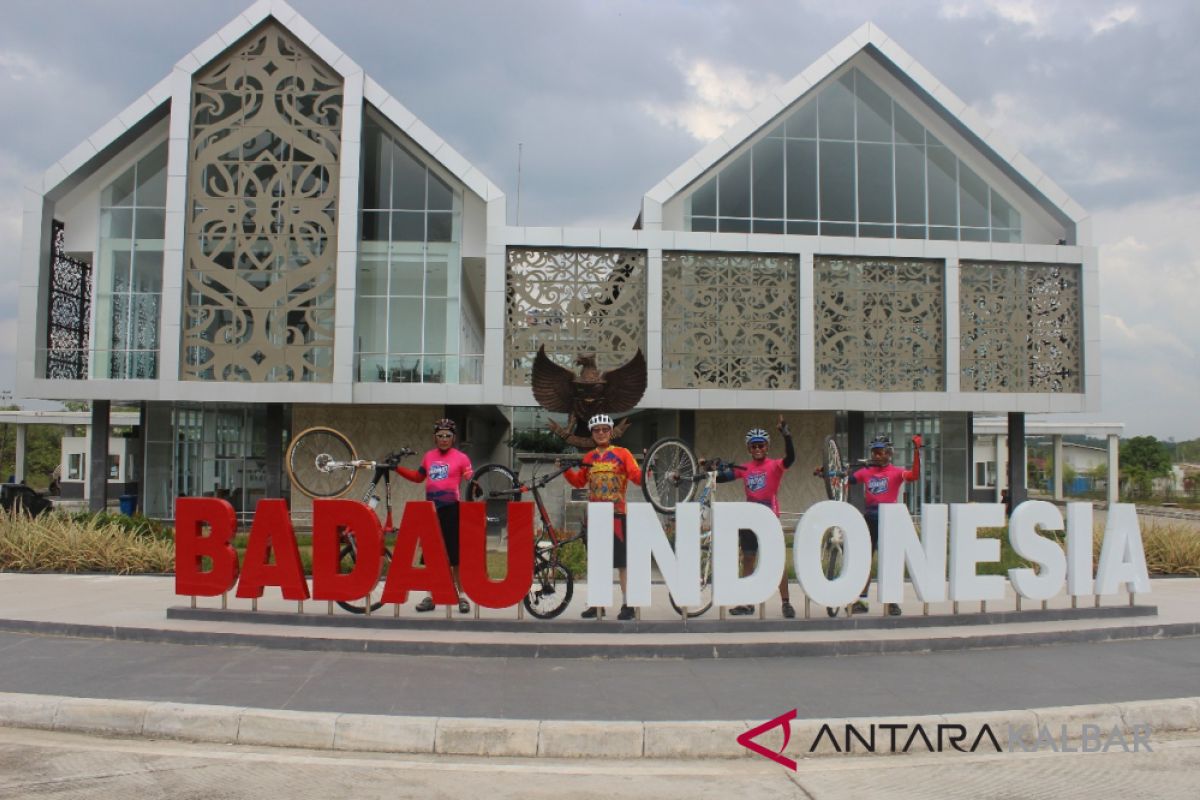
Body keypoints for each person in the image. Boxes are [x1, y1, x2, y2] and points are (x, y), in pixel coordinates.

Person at [814, 434, 922, 616]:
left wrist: (918, 451)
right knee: (865, 560)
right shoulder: (865, 471)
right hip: (870, 518)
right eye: (874, 452)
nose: (877, 456)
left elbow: (915, 475)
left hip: (889, 520)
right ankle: (862, 601)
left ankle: (892, 601)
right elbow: (844, 478)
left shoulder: (896, 472)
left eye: (880, 452)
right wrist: (826, 472)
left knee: (890, 563)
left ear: (889, 453)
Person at [712, 415, 797, 618]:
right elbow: (723, 477)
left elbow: (791, 458)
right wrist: (708, 469)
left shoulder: (775, 465)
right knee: (748, 559)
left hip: (769, 517)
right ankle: (747, 603)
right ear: (749, 449)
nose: (758, 449)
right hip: (749, 518)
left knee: (777, 562)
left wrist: (787, 435)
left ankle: (786, 602)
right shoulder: (745, 468)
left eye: (761, 445)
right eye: (754, 446)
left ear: (767, 447)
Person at [563, 413, 643, 621]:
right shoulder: (588, 457)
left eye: (604, 430)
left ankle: (628, 604)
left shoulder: (622, 453)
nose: (600, 433)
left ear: (611, 432)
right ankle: (597, 604)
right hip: (595, 518)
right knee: (597, 563)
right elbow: (580, 481)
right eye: (596, 430)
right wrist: (564, 471)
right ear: (592, 434)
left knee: (622, 563)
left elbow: (636, 477)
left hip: (617, 515)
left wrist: (648, 467)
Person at [395, 418, 474, 613]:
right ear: (434, 437)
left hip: (451, 510)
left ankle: (462, 597)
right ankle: (430, 597)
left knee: (455, 557)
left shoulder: (462, 458)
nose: (444, 439)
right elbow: (418, 477)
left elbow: (472, 478)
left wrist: (478, 486)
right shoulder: (429, 457)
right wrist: (396, 468)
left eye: (448, 436)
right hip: (431, 511)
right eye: (440, 436)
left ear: (453, 438)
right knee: (432, 556)